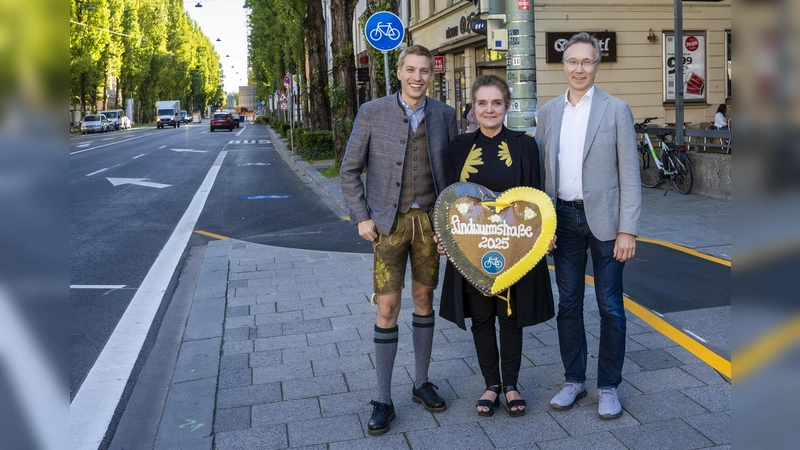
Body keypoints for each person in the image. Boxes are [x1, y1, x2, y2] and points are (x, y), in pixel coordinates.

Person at [340, 44, 459, 436]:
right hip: (387, 227)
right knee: (387, 307)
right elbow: (349, 171)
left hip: (429, 223)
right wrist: (361, 217)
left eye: (424, 71)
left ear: (431, 75)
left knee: (425, 299)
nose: (417, 77)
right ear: (400, 72)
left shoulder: (444, 115)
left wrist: (453, 222)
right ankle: (383, 398)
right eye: (411, 69)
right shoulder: (372, 112)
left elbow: (454, 175)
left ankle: (421, 382)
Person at [535, 32, 641, 420]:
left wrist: (628, 228)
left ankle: (609, 386)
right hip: (561, 219)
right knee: (569, 304)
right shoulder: (547, 113)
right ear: (563, 66)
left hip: (608, 222)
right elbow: (542, 174)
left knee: (611, 306)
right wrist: (541, 227)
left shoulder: (616, 110)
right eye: (572, 61)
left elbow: (630, 174)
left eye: (587, 61)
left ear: (597, 65)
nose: (579, 68)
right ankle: (574, 380)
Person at [437, 75, 555, 418]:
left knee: (511, 316)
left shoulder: (524, 145)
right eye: (482, 103)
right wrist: (443, 235)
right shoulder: (459, 147)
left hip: (514, 248)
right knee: (483, 317)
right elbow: (448, 199)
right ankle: (491, 383)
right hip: (472, 249)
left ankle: (512, 384)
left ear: (507, 106)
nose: (490, 110)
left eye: (497, 103)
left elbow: (536, 196)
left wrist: (545, 234)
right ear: (474, 108)